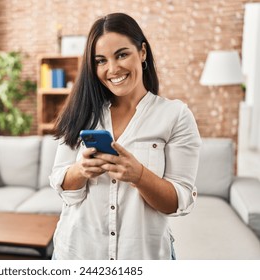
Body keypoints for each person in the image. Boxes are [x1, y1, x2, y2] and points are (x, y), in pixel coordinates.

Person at [49, 12, 201, 260]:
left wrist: (139, 176)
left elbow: (177, 201)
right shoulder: (82, 111)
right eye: (100, 60)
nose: (112, 68)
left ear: (142, 52)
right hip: (76, 254)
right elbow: (61, 182)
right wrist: (81, 170)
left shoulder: (176, 116)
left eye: (121, 54)